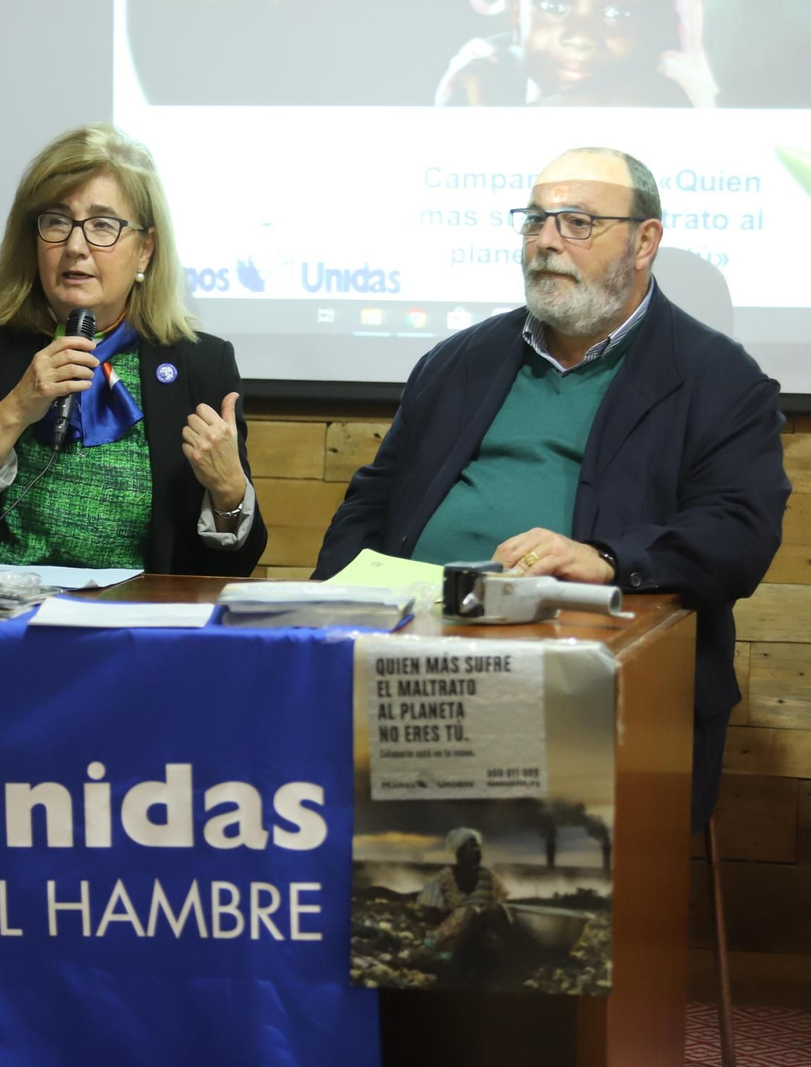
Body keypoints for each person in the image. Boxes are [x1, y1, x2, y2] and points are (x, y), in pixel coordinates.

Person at [312, 147, 788, 831]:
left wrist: (608, 557)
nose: (546, 241)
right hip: (415, 667)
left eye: (577, 222)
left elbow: (739, 529)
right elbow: (372, 501)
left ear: (645, 240)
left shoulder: (719, 376)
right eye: (535, 221)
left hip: (596, 683)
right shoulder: (459, 361)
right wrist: (335, 609)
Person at [0, 124, 266, 575]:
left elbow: (236, 565)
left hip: (134, 625)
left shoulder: (200, 364)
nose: (75, 246)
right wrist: (17, 406)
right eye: (57, 221)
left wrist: (229, 490)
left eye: (102, 225)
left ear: (145, 250)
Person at [435, 0, 718, 108]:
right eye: (554, 7)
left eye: (618, 12)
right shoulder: (486, 63)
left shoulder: (672, 84)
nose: (581, 36)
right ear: (515, 19)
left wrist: (484, 125)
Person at [417, 828, 512, 956]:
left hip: (482, 934)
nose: (478, 851)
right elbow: (427, 912)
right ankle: (451, 953)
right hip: (451, 936)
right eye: (473, 847)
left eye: (478, 847)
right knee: (468, 911)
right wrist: (457, 917)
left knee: (494, 908)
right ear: (460, 852)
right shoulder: (444, 878)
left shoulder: (488, 876)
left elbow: (503, 903)